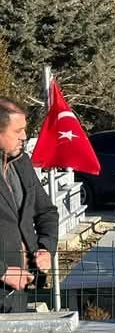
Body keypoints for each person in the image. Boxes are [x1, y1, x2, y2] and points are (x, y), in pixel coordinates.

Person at [0, 98, 59, 314]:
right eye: (18, 131)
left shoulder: (21, 162)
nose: (24, 137)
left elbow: (46, 212)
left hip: (20, 290)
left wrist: (45, 248)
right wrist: (3, 271)